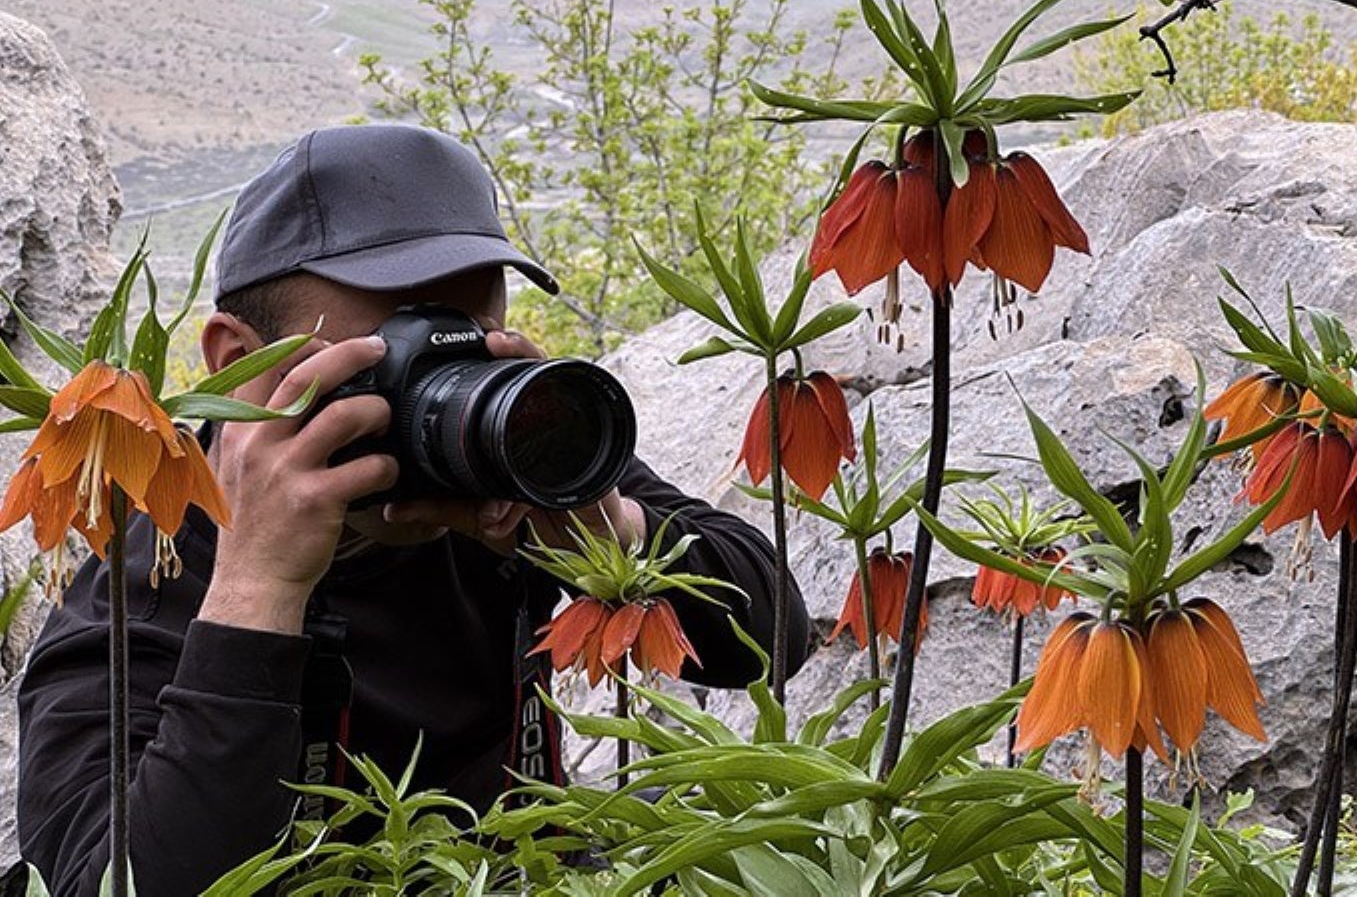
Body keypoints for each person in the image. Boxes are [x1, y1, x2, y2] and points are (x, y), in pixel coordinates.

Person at [15, 124, 809, 896]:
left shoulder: (491, 461)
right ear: (235, 367)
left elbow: (773, 642)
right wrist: (258, 589)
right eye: (391, 358)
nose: (444, 397)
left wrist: (607, 532)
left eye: (466, 342)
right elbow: (109, 879)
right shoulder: (146, 574)